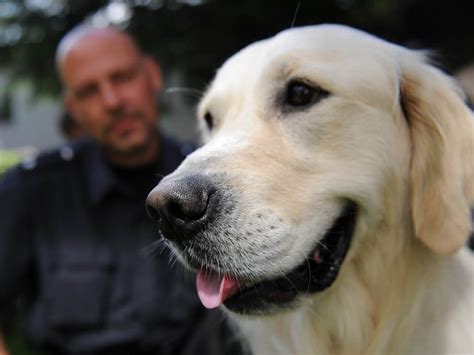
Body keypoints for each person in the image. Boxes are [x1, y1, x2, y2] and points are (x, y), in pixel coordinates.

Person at [0, 25, 242, 355]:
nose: (112, 101)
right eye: (89, 91)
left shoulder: (213, 181)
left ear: (153, 76)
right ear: (73, 107)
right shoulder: (32, 190)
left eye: (123, 78)